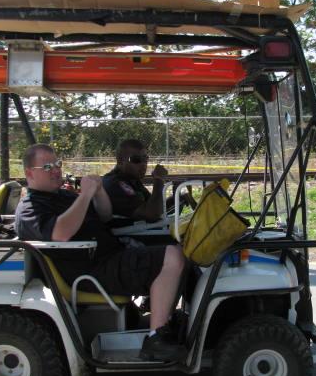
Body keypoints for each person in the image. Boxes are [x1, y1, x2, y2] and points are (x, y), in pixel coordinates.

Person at [15, 143, 186, 361]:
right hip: (91, 271)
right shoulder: (30, 207)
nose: (56, 170)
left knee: (180, 252)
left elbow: (104, 215)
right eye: (48, 167)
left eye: (57, 164)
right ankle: (155, 339)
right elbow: (60, 233)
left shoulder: (63, 197)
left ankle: (166, 322)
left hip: (108, 259)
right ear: (29, 173)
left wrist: (98, 192)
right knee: (172, 256)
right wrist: (85, 195)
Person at [103, 139, 192, 223]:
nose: (143, 164)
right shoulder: (115, 184)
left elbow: (152, 206)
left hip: (143, 232)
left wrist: (174, 199)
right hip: (130, 236)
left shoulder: (132, 180)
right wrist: (158, 180)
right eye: (136, 160)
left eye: (145, 159)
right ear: (120, 161)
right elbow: (151, 214)